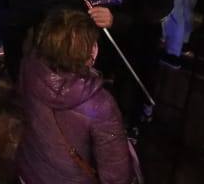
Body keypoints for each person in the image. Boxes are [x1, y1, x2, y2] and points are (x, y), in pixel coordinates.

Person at [16, 9, 133, 184]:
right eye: (92, 43)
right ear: (89, 55)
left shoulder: (30, 66)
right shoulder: (100, 105)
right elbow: (116, 173)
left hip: (29, 170)